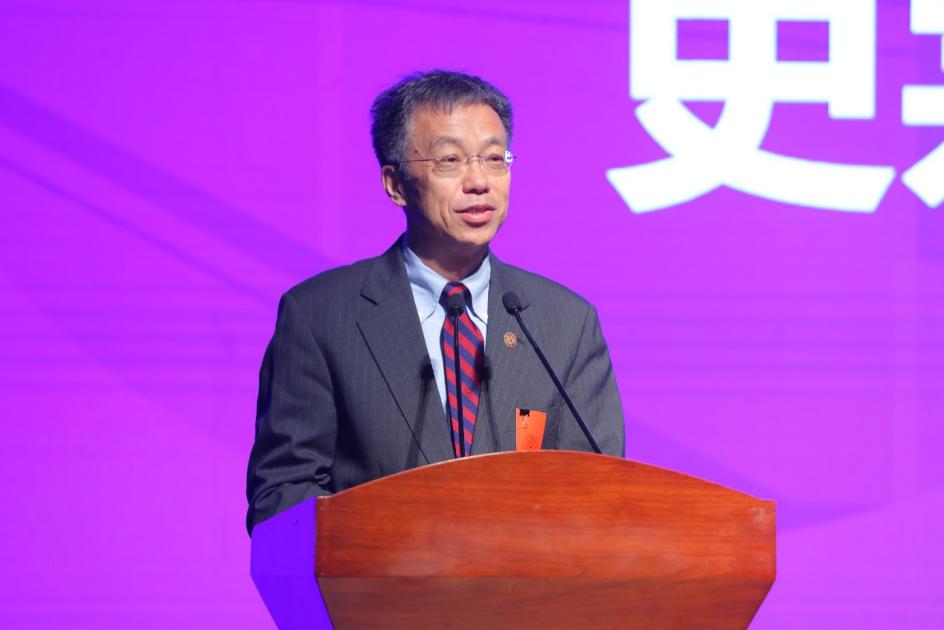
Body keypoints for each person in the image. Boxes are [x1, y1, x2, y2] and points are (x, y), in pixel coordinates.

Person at [246, 70, 624, 534]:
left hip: (523, 581)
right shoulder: (320, 318)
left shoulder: (565, 323)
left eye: (494, 159)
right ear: (395, 184)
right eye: (450, 160)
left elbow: (598, 493)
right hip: (381, 580)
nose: (479, 181)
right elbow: (283, 496)